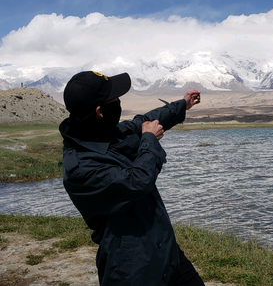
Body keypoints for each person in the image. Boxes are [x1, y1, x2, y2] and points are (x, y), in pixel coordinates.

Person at [59, 70, 205, 286]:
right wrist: (149, 140)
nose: (118, 102)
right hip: (132, 267)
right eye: (114, 99)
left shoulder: (105, 132)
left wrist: (182, 105)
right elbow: (138, 181)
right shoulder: (81, 168)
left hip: (165, 250)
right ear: (100, 111)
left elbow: (144, 121)